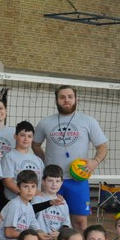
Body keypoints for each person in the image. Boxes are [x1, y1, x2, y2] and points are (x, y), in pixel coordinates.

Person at [32, 86, 109, 232]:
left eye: (70, 96)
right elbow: (35, 145)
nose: (66, 100)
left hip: (77, 180)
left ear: (76, 99)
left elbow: (103, 147)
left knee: (79, 223)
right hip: (52, 180)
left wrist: (95, 162)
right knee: (47, 220)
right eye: (62, 97)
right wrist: (47, 163)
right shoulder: (45, 122)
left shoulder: (88, 121)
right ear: (56, 100)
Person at [0, 121, 44, 202]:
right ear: (15, 136)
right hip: (15, 201)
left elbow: (42, 183)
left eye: (29, 136)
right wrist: (27, 195)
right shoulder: (9, 157)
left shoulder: (38, 160)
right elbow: (7, 181)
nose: (26, 139)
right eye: (22, 135)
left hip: (35, 202)